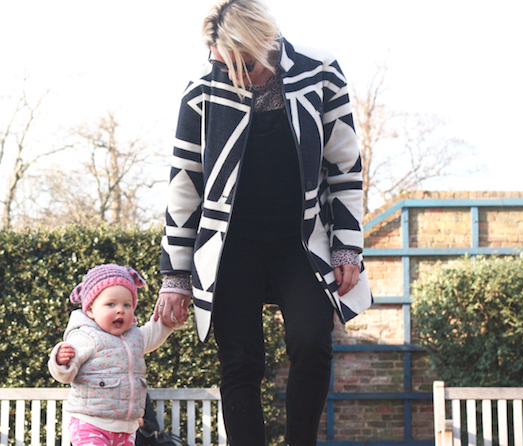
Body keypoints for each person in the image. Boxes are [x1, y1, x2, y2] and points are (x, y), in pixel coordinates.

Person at [154, 0, 373, 444]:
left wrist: (347, 245)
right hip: (230, 245)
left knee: (313, 343)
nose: (232, 75)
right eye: (222, 65)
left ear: (263, 45)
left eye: (243, 65)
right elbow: (184, 185)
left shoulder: (320, 71)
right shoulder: (200, 90)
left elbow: (344, 165)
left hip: (301, 238)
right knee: (240, 362)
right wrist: (175, 276)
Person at [49, 264, 176, 446]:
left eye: (127, 305)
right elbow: (65, 375)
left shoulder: (135, 337)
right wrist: (60, 361)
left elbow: (155, 332)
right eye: (111, 304)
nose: (120, 310)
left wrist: (169, 318)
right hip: (90, 423)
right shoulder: (86, 337)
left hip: (126, 429)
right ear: (90, 310)